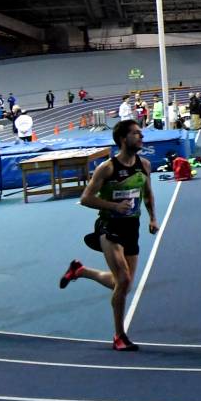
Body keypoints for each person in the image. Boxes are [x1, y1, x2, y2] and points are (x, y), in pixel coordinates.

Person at [60, 120, 159, 351]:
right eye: (136, 134)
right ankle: (119, 336)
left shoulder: (144, 165)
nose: (141, 137)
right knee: (123, 280)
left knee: (122, 284)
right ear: (123, 139)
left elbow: (148, 194)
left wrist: (153, 218)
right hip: (109, 226)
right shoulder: (107, 168)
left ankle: (80, 271)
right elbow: (86, 198)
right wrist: (114, 206)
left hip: (132, 227)